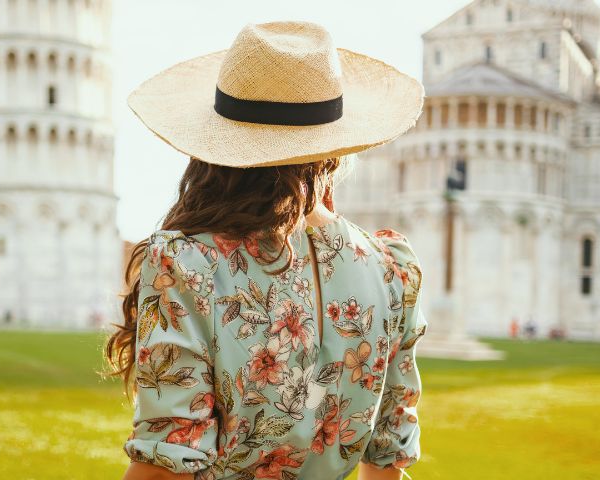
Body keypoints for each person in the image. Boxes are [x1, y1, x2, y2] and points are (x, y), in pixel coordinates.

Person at [104, 22, 427, 480]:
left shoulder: (187, 264)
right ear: (334, 146)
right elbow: (388, 461)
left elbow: (164, 467)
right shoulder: (392, 270)